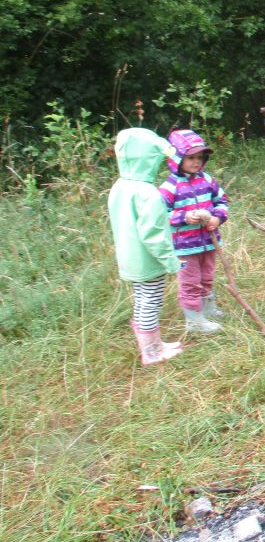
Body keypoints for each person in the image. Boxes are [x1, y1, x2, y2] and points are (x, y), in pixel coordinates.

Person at [107, 128, 184, 366]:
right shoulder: (147, 193)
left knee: (142, 300)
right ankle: (151, 352)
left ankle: (153, 344)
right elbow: (153, 234)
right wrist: (170, 261)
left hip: (130, 258)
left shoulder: (121, 186)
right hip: (148, 260)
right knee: (151, 301)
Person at [159, 129, 229, 334]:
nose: (196, 162)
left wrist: (217, 217)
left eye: (200, 157)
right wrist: (184, 218)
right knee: (190, 280)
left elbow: (222, 201)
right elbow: (161, 215)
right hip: (185, 246)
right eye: (190, 157)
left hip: (209, 240)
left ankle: (208, 307)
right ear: (177, 158)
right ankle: (194, 319)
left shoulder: (207, 180)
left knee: (207, 275)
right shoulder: (169, 187)